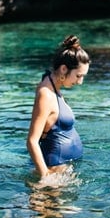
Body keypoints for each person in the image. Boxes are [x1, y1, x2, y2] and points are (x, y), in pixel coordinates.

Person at [27, 35, 90, 178]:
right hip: (54, 170)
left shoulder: (51, 84)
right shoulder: (46, 94)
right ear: (63, 69)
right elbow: (32, 141)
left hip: (63, 167)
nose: (80, 82)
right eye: (78, 76)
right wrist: (45, 176)